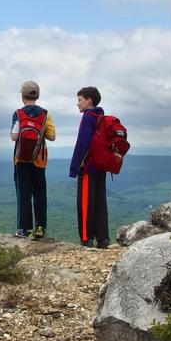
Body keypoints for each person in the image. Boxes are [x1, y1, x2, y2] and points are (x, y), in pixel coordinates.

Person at [11, 80, 56, 240]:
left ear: (22, 96)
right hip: (39, 159)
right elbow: (52, 136)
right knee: (39, 194)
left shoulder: (18, 113)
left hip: (21, 160)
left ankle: (24, 229)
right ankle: (40, 229)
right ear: (37, 95)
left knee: (23, 194)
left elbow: (14, 136)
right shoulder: (45, 114)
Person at [68, 86, 110, 248]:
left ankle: (86, 238)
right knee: (100, 200)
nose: (77, 104)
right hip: (102, 166)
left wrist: (74, 168)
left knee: (85, 201)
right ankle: (103, 238)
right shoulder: (101, 117)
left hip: (88, 167)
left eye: (80, 100)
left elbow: (82, 144)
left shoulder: (88, 117)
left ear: (89, 100)